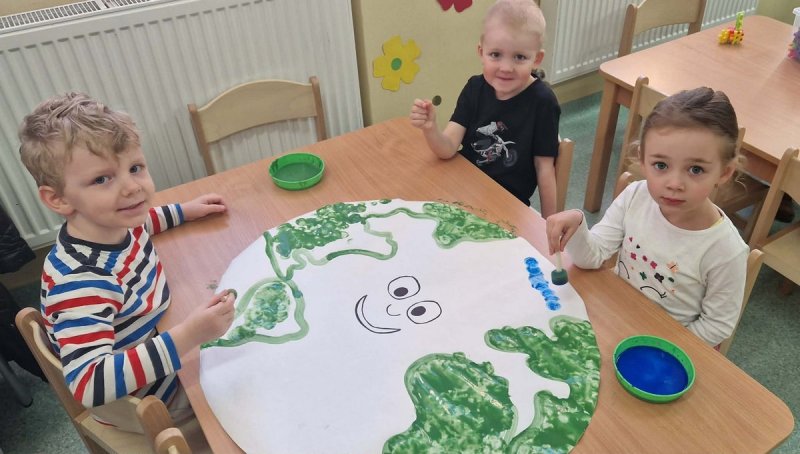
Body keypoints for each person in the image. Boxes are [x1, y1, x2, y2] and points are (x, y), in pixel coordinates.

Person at [17, 92, 236, 431]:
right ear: (58, 199)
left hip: (156, 337)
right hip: (154, 400)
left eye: (135, 168)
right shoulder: (82, 282)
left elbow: (144, 222)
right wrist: (190, 334)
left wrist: (185, 211)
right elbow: (89, 385)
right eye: (102, 179)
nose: (133, 188)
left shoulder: (111, 222)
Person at [546, 87, 749, 348]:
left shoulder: (726, 250)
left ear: (724, 172)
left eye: (696, 169)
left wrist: (661, 348)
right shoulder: (635, 196)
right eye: (661, 165)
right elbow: (593, 257)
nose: (674, 183)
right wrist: (577, 224)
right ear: (642, 159)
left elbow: (717, 324)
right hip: (612, 317)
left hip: (663, 345)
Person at [409, 0, 560, 217]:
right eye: (496, 54)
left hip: (506, 205)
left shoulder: (543, 102)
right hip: (462, 187)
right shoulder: (475, 88)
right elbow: (447, 148)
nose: (506, 68)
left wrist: (549, 224)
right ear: (481, 52)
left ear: (537, 59)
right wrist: (431, 128)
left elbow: (544, 169)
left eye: (519, 57)